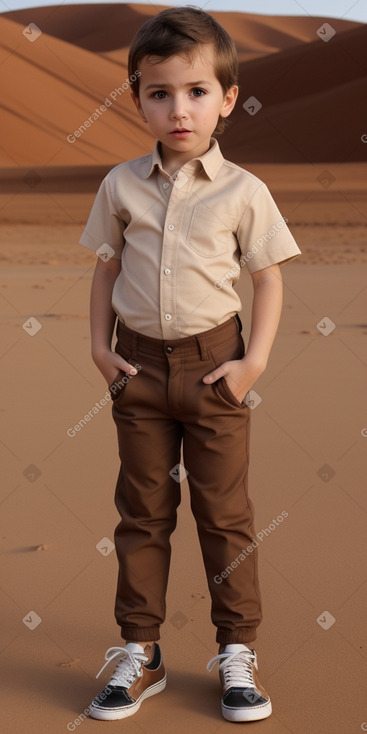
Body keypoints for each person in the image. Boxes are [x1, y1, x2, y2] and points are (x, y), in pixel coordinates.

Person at [79, 6, 301, 724]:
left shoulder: (244, 191)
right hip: (137, 372)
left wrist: (252, 364)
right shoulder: (120, 184)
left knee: (225, 516)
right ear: (137, 97)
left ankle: (236, 651)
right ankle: (139, 651)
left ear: (227, 99)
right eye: (159, 92)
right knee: (141, 514)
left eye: (197, 91)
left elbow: (267, 278)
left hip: (215, 370)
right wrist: (100, 350)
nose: (179, 108)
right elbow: (106, 270)